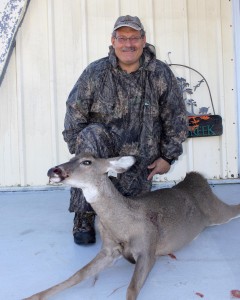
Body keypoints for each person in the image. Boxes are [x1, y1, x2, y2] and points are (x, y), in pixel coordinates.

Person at [62, 15, 188, 245]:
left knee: (133, 208)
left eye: (134, 38)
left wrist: (168, 156)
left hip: (141, 152)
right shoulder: (96, 72)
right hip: (102, 147)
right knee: (89, 138)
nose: (128, 44)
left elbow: (176, 116)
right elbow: (74, 112)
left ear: (143, 40)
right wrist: (79, 149)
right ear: (113, 41)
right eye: (122, 38)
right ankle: (84, 215)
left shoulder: (159, 73)